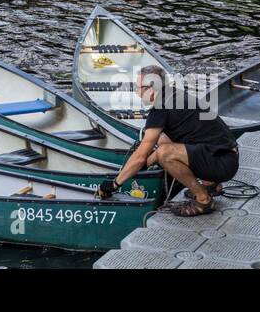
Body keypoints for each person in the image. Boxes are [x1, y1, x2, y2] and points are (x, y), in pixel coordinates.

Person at [98, 64, 239, 216]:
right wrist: (143, 166)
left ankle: (203, 200)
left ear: (151, 89)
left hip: (223, 163)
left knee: (165, 154)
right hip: (226, 155)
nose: (136, 92)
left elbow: (140, 157)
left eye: (138, 87)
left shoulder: (160, 108)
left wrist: (114, 184)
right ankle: (211, 184)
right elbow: (163, 143)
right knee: (163, 140)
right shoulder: (174, 94)